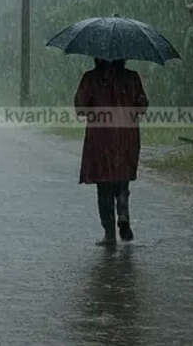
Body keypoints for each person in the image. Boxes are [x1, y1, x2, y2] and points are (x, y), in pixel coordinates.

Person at [74, 58, 149, 246]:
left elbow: (81, 108)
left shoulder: (91, 78)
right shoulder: (132, 78)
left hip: (100, 138)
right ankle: (123, 211)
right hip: (127, 137)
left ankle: (109, 234)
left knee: (104, 186)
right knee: (122, 180)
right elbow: (142, 106)